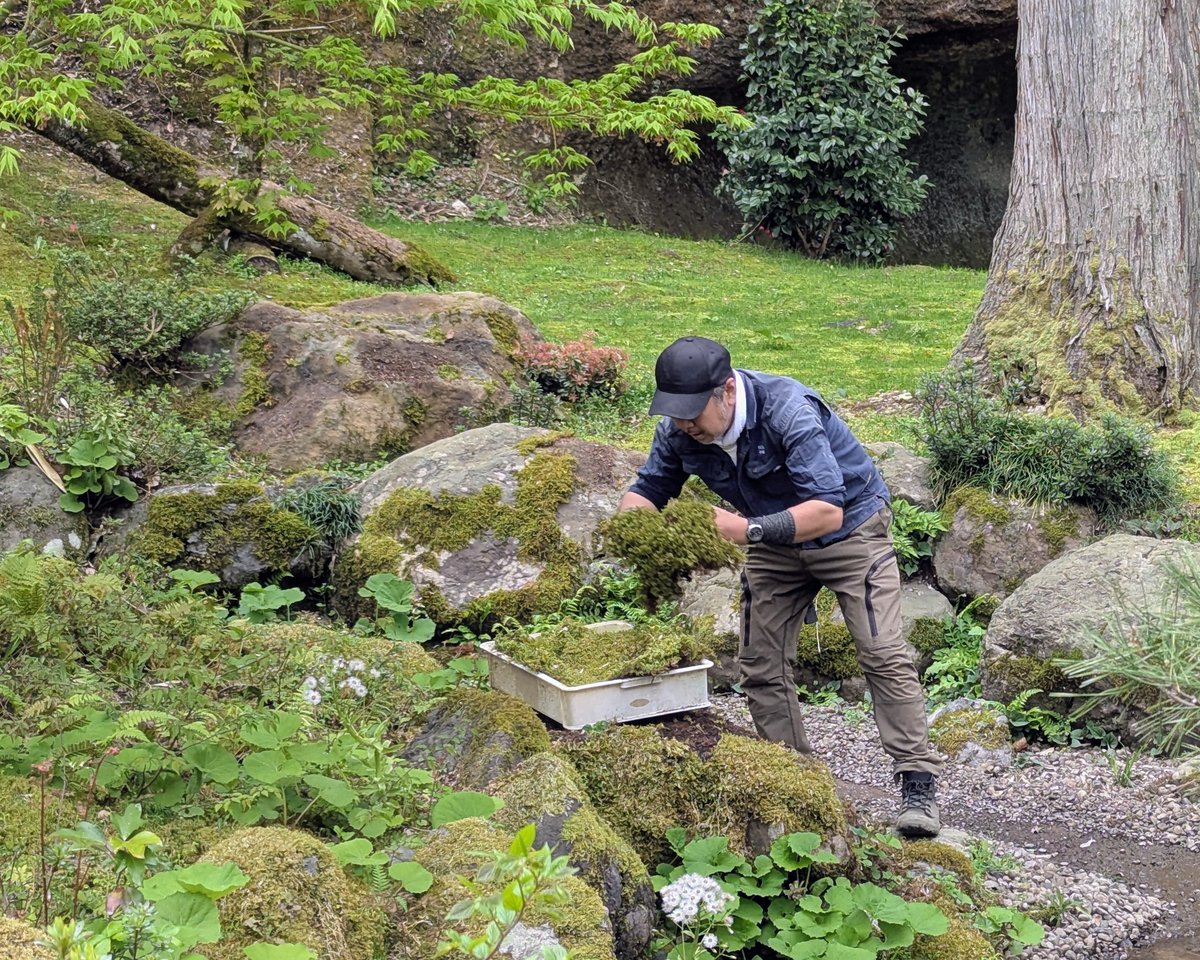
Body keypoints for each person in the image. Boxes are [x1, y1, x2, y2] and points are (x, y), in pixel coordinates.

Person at [618, 335, 942, 838]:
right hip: (772, 537)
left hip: (848, 527)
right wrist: (632, 526)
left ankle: (917, 784)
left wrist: (743, 530)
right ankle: (795, 781)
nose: (683, 424)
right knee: (760, 663)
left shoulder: (788, 410)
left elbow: (827, 508)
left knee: (881, 652)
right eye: (674, 412)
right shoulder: (680, 431)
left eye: (692, 412)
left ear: (727, 391)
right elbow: (650, 490)